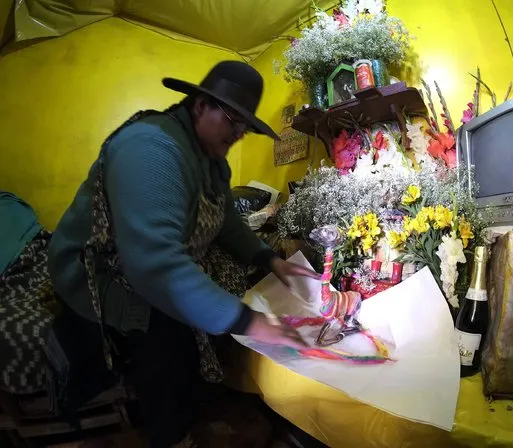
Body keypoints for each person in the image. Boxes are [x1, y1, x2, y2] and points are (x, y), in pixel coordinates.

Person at [47, 61, 319, 448]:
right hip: (99, 269)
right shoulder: (152, 149)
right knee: (167, 327)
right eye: (231, 119)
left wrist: (271, 262)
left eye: (245, 125)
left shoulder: (212, 163)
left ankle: (207, 398)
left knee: (225, 290)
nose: (240, 133)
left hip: (149, 261)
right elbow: (155, 267)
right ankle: (171, 435)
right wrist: (250, 322)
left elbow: (226, 222)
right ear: (199, 105)